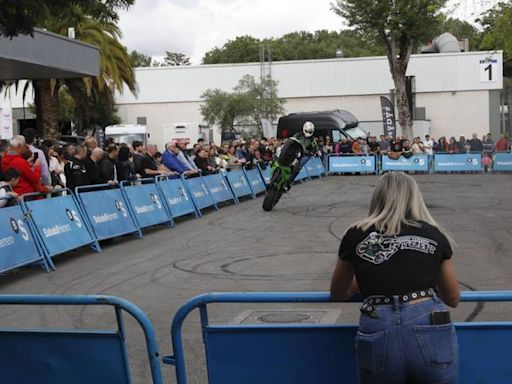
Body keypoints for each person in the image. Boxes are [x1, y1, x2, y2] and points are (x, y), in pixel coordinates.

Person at [330, 172, 460, 384]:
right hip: (428, 321)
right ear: (414, 197)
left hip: (378, 322)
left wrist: (371, 273)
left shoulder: (356, 234)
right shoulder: (434, 234)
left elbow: (338, 293)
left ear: (377, 197)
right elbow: (453, 297)